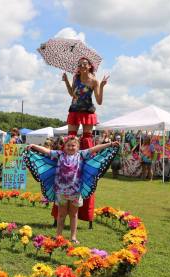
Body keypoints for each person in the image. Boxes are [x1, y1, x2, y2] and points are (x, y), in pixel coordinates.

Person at [27, 136, 119, 243]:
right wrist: (34, 146)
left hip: (75, 191)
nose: (71, 147)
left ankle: (73, 237)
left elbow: (95, 149)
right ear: (64, 147)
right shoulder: (59, 154)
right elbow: (47, 151)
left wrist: (110, 144)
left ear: (77, 146)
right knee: (61, 215)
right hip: (61, 191)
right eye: (68, 145)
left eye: (73, 145)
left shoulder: (81, 155)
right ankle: (58, 236)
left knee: (74, 215)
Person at [63, 58, 109, 227]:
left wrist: (102, 86)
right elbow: (72, 94)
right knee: (70, 138)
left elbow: (99, 101)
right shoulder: (75, 78)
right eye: (79, 64)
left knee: (87, 140)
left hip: (88, 111)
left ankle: (87, 158)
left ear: (90, 66)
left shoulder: (94, 80)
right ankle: (68, 159)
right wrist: (67, 82)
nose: (81, 66)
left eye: (84, 64)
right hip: (74, 110)